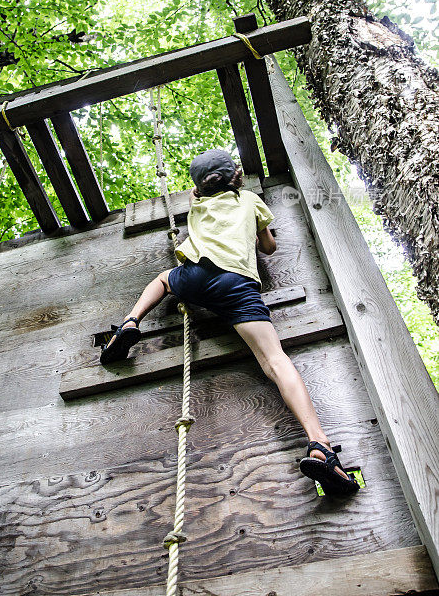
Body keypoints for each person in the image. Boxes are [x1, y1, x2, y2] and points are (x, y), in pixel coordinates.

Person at [101, 149, 358, 497]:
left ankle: (130, 322)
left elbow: (198, 192)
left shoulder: (197, 204)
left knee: (163, 280)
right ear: (234, 176)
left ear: (200, 186)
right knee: (274, 361)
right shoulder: (250, 200)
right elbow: (268, 248)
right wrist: (256, 233)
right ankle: (319, 445)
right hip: (236, 285)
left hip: (195, 274)